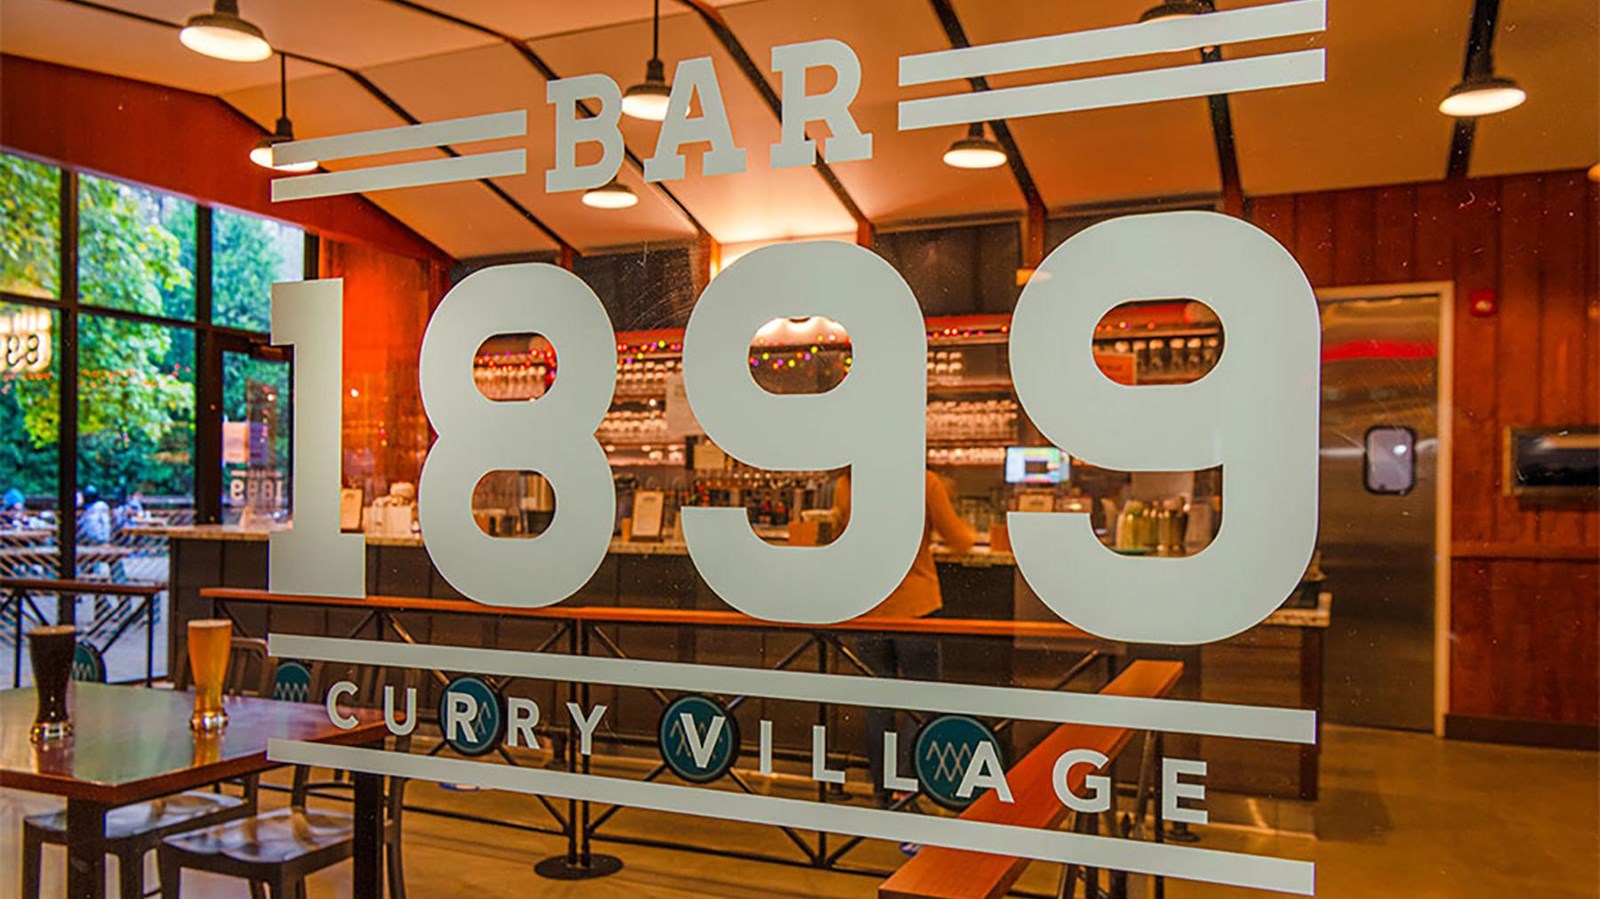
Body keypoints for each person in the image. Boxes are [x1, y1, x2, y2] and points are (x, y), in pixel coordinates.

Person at [833, 469, 975, 808]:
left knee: (879, 703)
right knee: (919, 703)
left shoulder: (848, 482)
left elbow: (840, 535)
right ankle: (905, 787)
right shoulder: (924, 481)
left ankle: (883, 789)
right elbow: (959, 539)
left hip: (871, 608)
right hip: (917, 607)